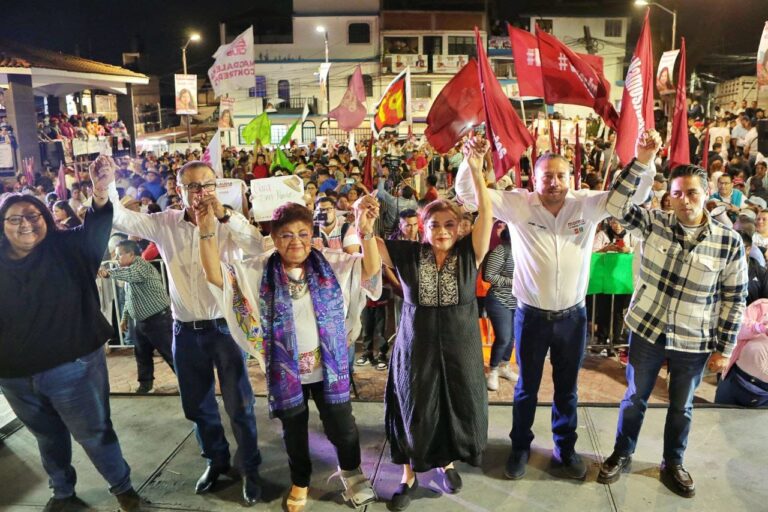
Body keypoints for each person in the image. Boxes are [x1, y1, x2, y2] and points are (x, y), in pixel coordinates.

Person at [453, 132, 653, 482]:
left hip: (573, 318)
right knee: (527, 387)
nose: (554, 182)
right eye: (547, 176)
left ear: (571, 178)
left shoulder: (587, 204)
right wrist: (471, 164)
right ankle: (519, 448)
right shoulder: (518, 204)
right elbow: (470, 196)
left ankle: (566, 448)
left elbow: (632, 197)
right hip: (530, 317)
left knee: (567, 388)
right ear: (535, 179)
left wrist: (645, 160)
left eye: (561, 176)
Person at [198, 199, 382, 512]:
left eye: (302, 233)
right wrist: (205, 231)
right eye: (286, 234)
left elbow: (371, 268)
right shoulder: (259, 269)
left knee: (343, 426)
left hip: (330, 368)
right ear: (274, 237)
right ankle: (301, 480)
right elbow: (217, 276)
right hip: (287, 371)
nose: (295, 241)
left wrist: (366, 230)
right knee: (294, 430)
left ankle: (352, 474)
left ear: (312, 235)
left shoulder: (332, 264)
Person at [108, 159, 265, 505]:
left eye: (207, 185)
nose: (200, 193)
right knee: (197, 405)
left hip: (225, 328)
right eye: (192, 186)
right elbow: (121, 218)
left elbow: (256, 247)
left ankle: (250, 467)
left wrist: (225, 216)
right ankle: (217, 460)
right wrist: (105, 184)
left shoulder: (229, 223)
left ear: (217, 187)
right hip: (185, 331)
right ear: (178, 191)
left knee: (240, 404)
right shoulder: (165, 224)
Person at [599, 132, 747, 498]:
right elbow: (616, 206)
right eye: (677, 193)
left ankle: (673, 462)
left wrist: (725, 348)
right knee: (635, 398)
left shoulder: (728, 242)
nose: (684, 200)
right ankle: (623, 452)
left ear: (707, 193)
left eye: (692, 192)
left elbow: (734, 297)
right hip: (647, 329)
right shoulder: (654, 223)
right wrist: (643, 159)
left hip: (694, 339)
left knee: (682, 406)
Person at [0, 159, 146, 511]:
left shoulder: (67, 248)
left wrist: (98, 191)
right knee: (47, 437)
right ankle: (62, 492)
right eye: (16, 218)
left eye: (34, 216)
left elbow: (96, 229)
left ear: (47, 220)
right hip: (15, 375)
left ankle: (122, 488)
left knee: (94, 433)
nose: (26, 225)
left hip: (73, 368)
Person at [377, 138, 492, 510]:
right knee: (416, 407)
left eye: (448, 224)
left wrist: (475, 169)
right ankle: (409, 476)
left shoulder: (468, 253)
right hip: (417, 350)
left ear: (459, 228)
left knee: (454, 405)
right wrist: (362, 221)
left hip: (460, 348)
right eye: (434, 224)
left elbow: (486, 215)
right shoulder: (409, 255)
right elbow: (372, 245)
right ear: (422, 228)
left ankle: (445, 462)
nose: (442, 230)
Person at [98, 240, 175, 394]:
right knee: (141, 355)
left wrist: (108, 273)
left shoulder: (141, 267)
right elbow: (129, 298)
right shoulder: (130, 271)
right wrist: (124, 318)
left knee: (171, 355)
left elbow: (130, 274)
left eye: (120, 255)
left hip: (158, 320)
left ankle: (191, 384)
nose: (117, 259)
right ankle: (145, 385)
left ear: (131, 254)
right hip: (142, 322)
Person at [715, 298, 768, 407]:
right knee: (721, 418)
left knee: (756, 424)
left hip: (764, 394)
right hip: (735, 378)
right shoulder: (762, 306)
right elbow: (737, 328)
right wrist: (760, 328)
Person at [483, 224, 518, 391]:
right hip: (499, 299)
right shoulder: (501, 250)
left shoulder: (524, 250)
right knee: (504, 337)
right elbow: (488, 275)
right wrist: (512, 283)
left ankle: (505, 366)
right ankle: (493, 370)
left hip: (518, 301)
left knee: (512, 337)